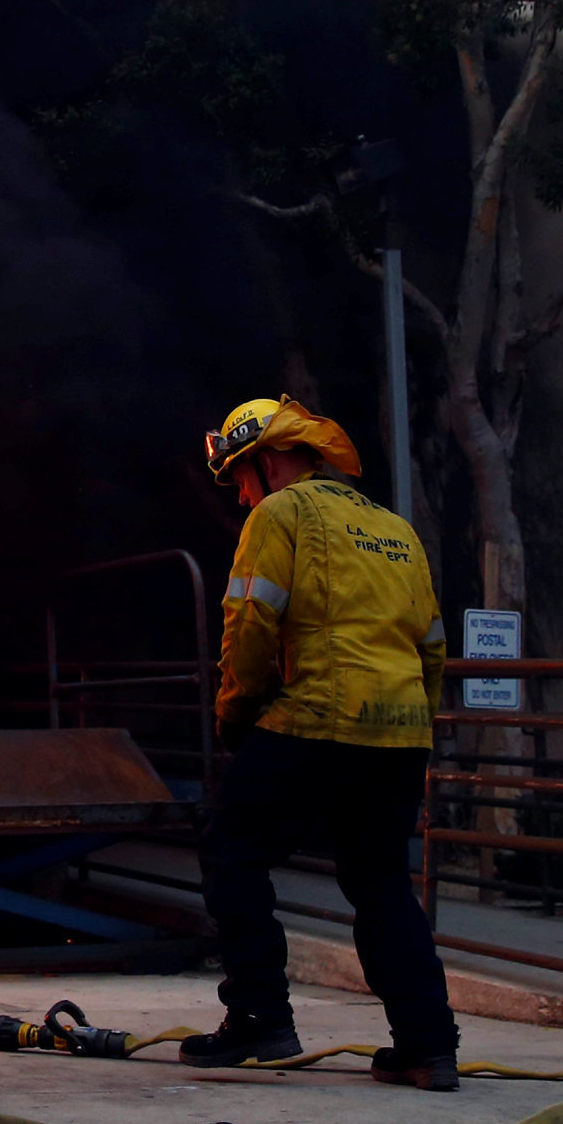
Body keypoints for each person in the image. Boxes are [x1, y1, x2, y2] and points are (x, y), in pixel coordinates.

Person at [183, 397, 460, 1088]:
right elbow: (432, 645)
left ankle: (258, 1019)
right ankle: (427, 1047)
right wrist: (413, 727)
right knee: (380, 880)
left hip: (315, 716)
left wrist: (236, 713)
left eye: (242, 479)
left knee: (232, 850)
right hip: (399, 733)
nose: (243, 496)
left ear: (270, 460)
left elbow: (250, 621)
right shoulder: (396, 529)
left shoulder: (282, 514)